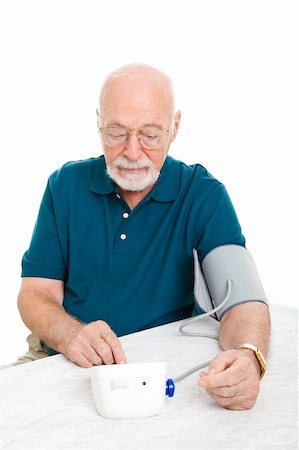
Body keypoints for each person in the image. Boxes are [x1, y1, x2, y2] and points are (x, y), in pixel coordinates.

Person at [16, 63, 271, 411]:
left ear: (174, 127)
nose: (133, 153)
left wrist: (248, 355)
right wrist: (70, 334)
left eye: (150, 134)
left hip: (162, 364)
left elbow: (243, 302)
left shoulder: (204, 195)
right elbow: (35, 294)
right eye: (117, 133)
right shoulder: (64, 186)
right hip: (60, 356)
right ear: (99, 123)